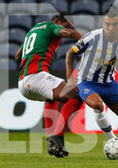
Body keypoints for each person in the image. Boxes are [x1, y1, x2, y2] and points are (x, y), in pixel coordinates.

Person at [65, 6, 118, 159]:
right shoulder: (92, 38)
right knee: (97, 105)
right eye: (107, 24)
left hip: (109, 83)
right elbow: (70, 53)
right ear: (103, 23)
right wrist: (70, 78)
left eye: (114, 24)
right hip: (87, 82)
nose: (110, 28)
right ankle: (113, 141)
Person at [15, 13, 84, 157]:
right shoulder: (51, 26)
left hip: (23, 82)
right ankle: (57, 137)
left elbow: (17, 55)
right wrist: (88, 38)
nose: (67, 29)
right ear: (57, 21)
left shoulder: (32, 31)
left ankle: (52, 139)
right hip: (36, 76)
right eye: (66, 25)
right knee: (77, 97)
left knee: (52, 98)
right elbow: (65, 33)